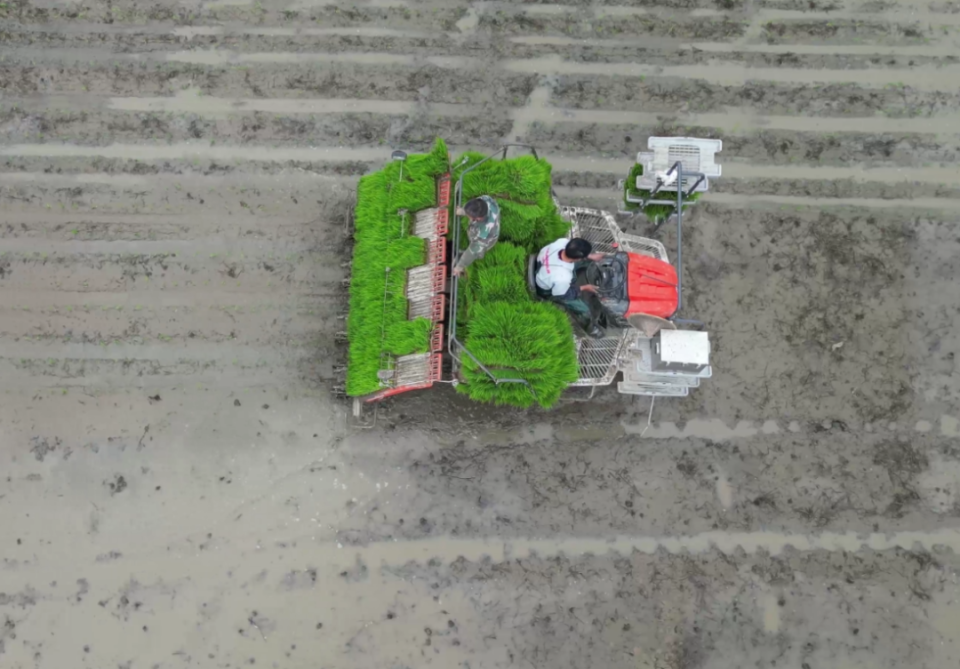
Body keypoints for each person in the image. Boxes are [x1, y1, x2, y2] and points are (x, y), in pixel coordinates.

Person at [534, 237, 606, 337]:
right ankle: (590, 328)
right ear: (576, 258)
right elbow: (565, 294)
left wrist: (591, 256)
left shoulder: (561, 242)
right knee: (583, 309)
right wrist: (584, 287)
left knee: (587, 260)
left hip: (545, 267)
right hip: (548, 290)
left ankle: (594, 261)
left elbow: (576, 255)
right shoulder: (562, 277)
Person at [451, 196, 500, 277]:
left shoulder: (483, 235)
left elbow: (472, 252)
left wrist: (459, 266)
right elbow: (474, 208)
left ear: (478, 218)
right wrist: (462, 211)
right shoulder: (485, 200)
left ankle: (462, 258)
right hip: (484, 225)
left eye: (469, 216)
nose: (468, 216)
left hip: (488, 240)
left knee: (477, 252)